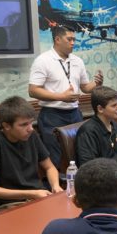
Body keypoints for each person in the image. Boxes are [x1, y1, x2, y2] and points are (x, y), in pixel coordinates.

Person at [29, 25, 104, 168]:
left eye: (74, 39)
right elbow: (33, 90)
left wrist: (96, 84)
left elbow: (85, 87)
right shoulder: (43, 60)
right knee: (55, 156)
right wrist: (61, 97)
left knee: (80, 151)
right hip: (52, 115)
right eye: (69, 39)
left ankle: (81, 179)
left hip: (75, 113)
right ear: (57, 39)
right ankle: (57, 181)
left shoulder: (77, 61)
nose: (73, 43)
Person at [0, 96, 62, 203]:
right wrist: (31, 194)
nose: (30, 129)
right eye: (24, 124)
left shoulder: (32, 136)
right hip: (12, 202)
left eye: (31, 122)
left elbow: (49, 167)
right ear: (6, 126)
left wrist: (55, 186)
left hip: (37, 197)